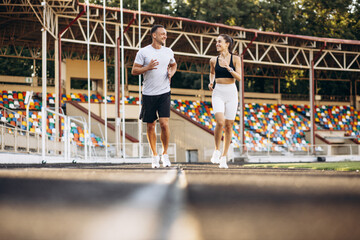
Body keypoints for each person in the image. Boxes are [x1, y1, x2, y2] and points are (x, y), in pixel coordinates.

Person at [131, 25, 177, 168]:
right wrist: (147, 68)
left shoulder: (168, 51)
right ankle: (154, 156)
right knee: (150, 126)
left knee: (164, 124)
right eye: (162, 34)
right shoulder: (143, 52)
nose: (165, 36)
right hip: (149, 94)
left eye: (165, 34)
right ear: (154, 35)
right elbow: (134, 70)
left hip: (164, 92)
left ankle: (165, 154)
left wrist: (171, 73)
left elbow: (174, 65)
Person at [208, 34, 241, 169]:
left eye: (219, 42)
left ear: (227, 44)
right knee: (220, 122)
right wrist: (211, 82)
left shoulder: (236, 59)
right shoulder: (213, 60)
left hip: (231, 92)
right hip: (218, 92)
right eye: (216, 42)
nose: (217, 44)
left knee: (229, 125)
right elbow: (211, 72)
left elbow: (239, 78)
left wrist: (229, 68)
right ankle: (216, 150)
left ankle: (223, 157)